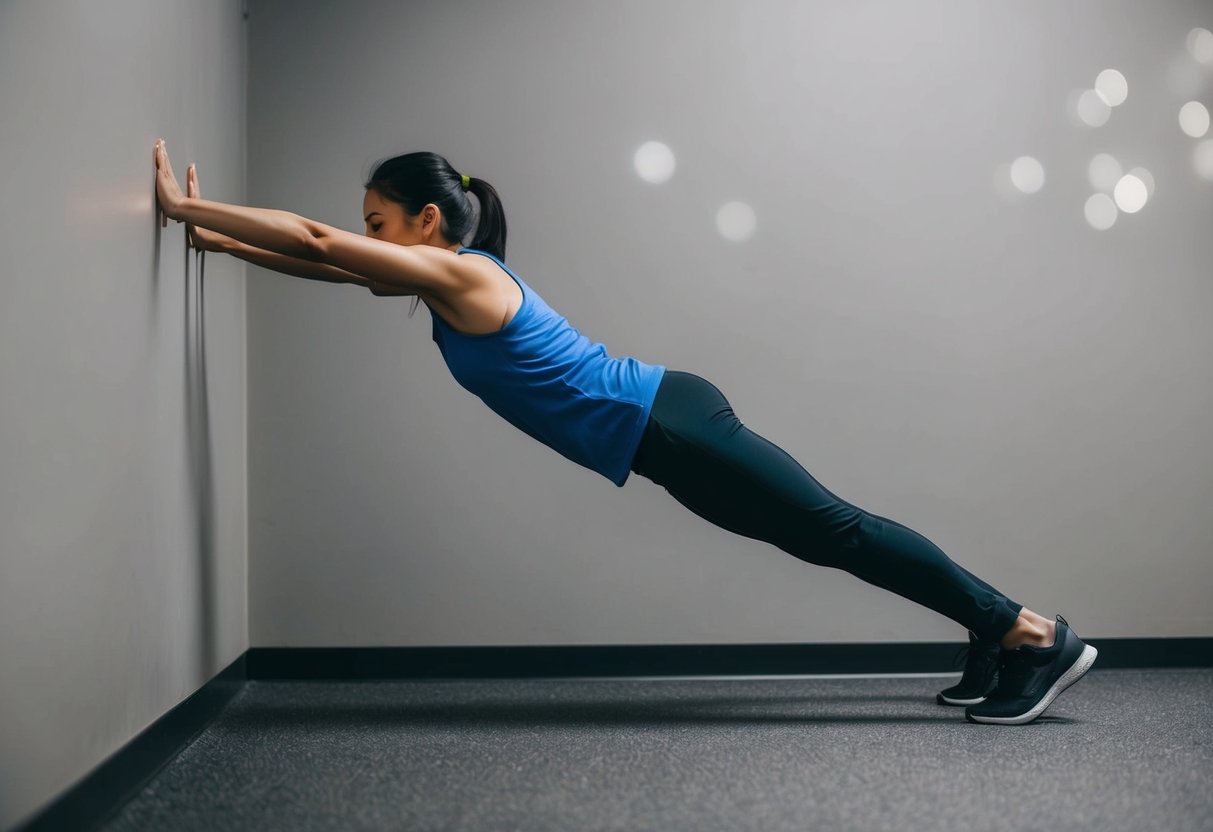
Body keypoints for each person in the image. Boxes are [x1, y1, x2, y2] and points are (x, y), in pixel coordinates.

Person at [153, 140, 1098, 725]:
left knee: (837, 531)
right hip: (665, 434)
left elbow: (318, 242)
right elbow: (336, 269)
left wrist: (186, 206)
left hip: (671, 427)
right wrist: (225, 245)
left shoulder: (465, 277)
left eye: (378, 223)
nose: (363, 237)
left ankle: (1028, 631)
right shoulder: (437, 279)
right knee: (824, 542)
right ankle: (989, 637)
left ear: (427, 221)